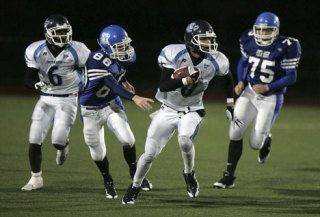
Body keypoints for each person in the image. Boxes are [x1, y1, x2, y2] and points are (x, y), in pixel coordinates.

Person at [122, 20, 235, 204]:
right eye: (204, 39)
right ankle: (135, 185)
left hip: (192, 110)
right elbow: (164, 85)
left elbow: (228, 77)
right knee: (149, 154)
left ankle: (189, 173)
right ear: (192, 40)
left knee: (184, 140)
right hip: (167, 109)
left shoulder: (216, 59)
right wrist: (185, 80)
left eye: (210, 39)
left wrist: (230, 104)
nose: (208, 43)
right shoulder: (174, 53)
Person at [213, 12, 301, 189]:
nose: (262, 34)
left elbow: (291, 77)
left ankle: (265, 139)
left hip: (271, 97)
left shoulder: (288, 45)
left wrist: (269, 87)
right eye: (259, 30)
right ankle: (229, 176)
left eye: (267, 31)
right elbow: (244, 62)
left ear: (275, 31)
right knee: (234, 132)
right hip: (250, 92)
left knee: (255, 144)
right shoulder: (248, 39)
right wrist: (240, 81)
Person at [79, 25, 154, 199]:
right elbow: (110, 83)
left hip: (111, 104)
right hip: (90, 111)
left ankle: (135, 173)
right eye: (120, 47)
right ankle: (108, 180)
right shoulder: (95, 61)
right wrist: (134, 97)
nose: (125, 50)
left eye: (126, 45)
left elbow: (118, 71)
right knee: (98, 152)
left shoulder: (122, 56)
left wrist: (125, 80)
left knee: (128, 140)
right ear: (107, 47)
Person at [21, 14, 90, 191]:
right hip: (46, 98)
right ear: (47, 33)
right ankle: (36, 178)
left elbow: (91, 70)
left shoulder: (78, 49)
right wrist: (36, 84)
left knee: (58, 140)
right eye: (58, 32)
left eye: (65, 31)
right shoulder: (36, 50)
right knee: (34, 138)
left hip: (68, 99)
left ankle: (63, 147)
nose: (62, 35)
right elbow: (28, 78)